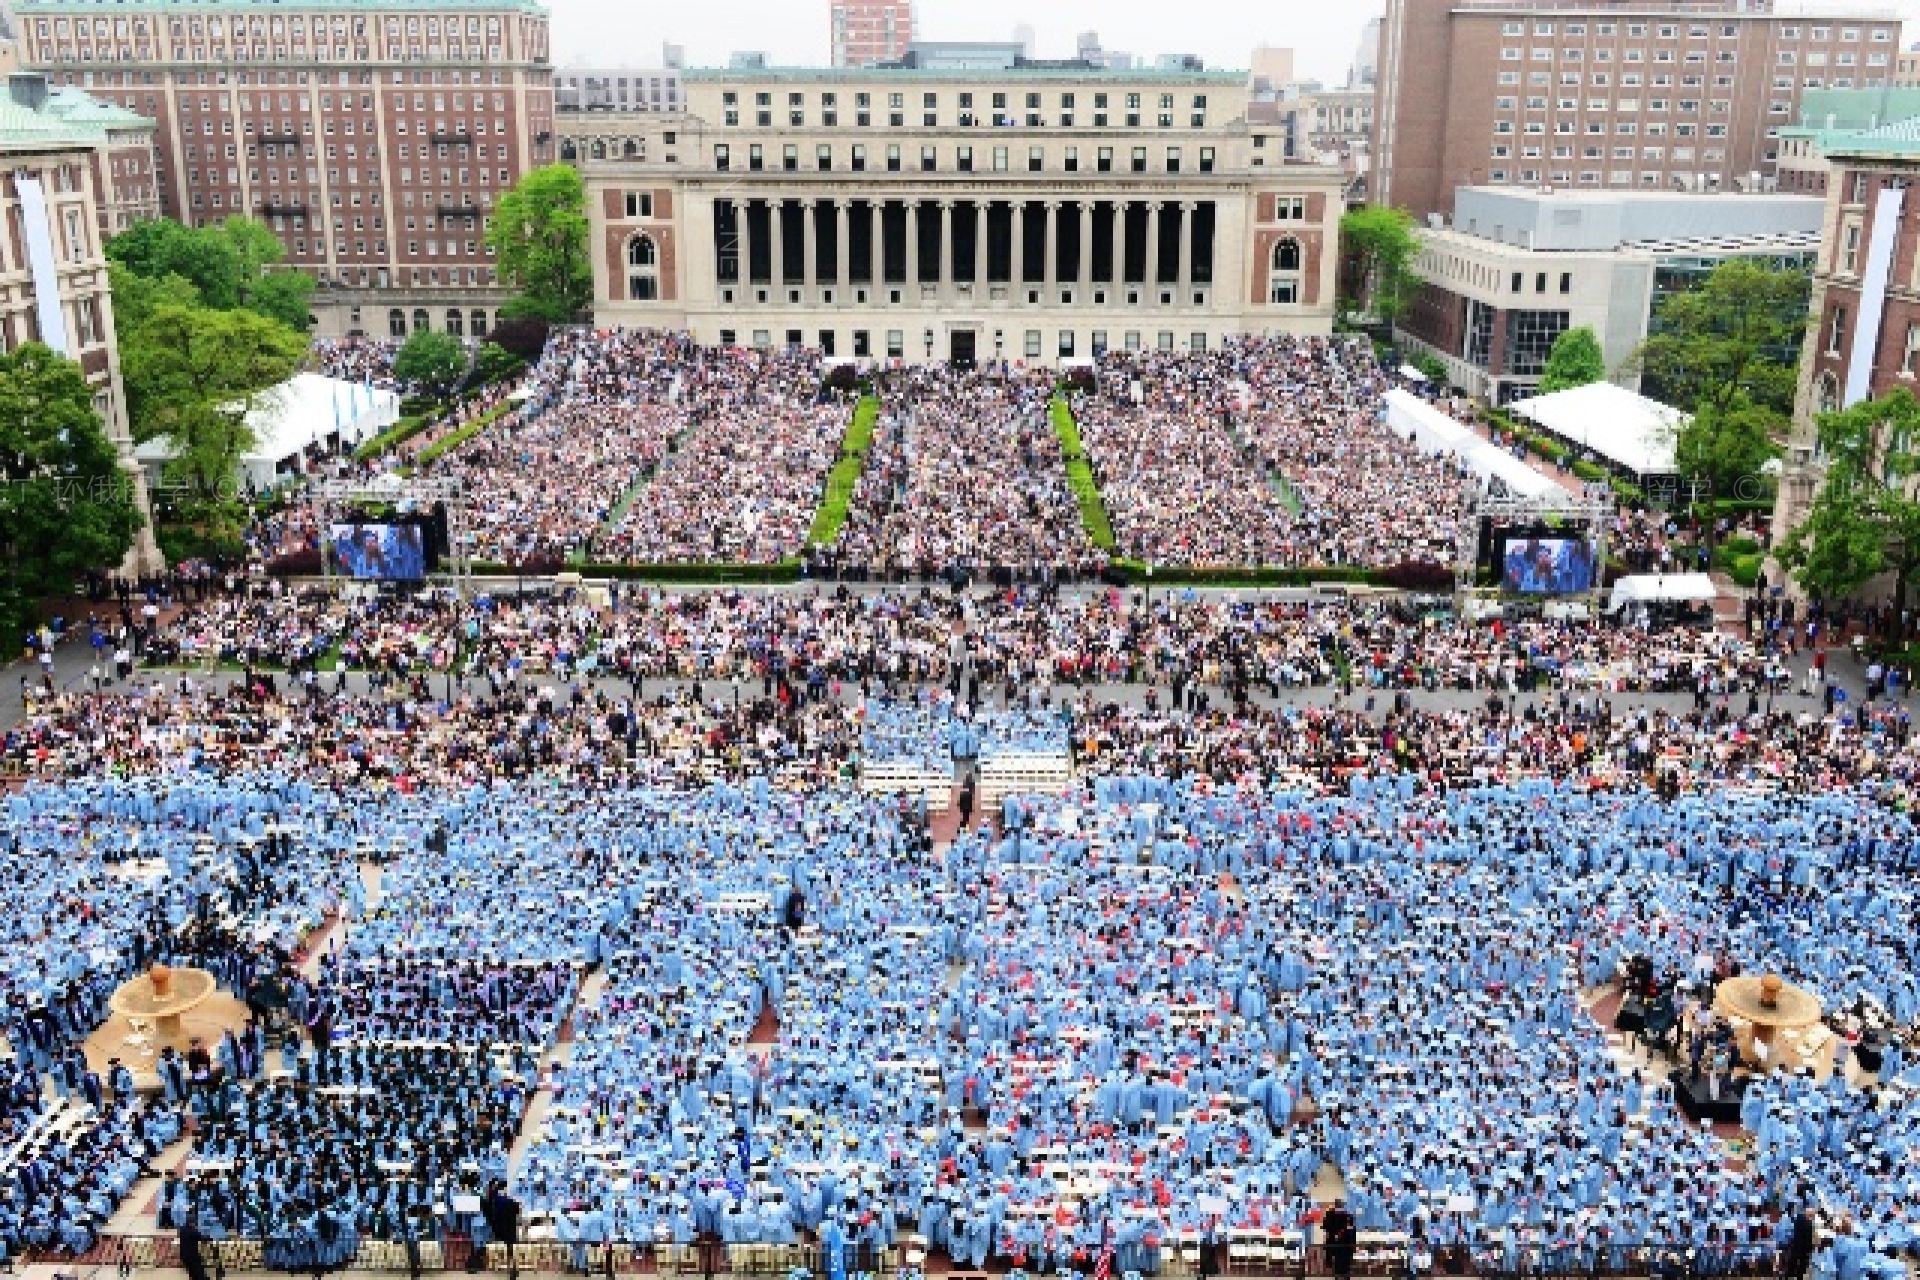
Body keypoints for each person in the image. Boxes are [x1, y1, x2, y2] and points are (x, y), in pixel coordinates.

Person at [1324, 1198, 1357, 1280]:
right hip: (1346, 1243)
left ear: (1335, 1205)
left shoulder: (1329, 1214)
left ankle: (1337, 1275)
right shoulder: (1349, 1215)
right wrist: (1353, 1245)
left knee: (1337, 1261)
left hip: (1334, 1242)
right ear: (1343, 1205)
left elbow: (1326, 1227)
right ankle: (1346, 1276)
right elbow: (1352, 1230)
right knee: (1346, 1262)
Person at [1786, 1208, 1818, 1280]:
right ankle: (1799, 1277)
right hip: (1803, 1248)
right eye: (1812, 1216)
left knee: (1792, 1263)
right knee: (1802, 1266)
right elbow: (1808, 1239)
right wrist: (1810, 1249)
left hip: (1795, 1244)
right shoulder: (1809, 1225)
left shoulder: (1798, 1218)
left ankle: (1787, 1276)